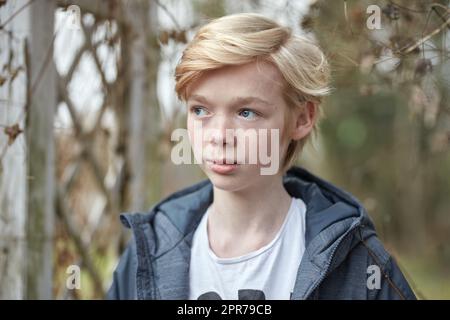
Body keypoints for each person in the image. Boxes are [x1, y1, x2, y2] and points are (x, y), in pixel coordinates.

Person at [107, 13, 416, 300]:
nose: (219, 135)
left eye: (246, 112)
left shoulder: (358, 264)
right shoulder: (148, 253)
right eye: (200, 110)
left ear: (301, 119)